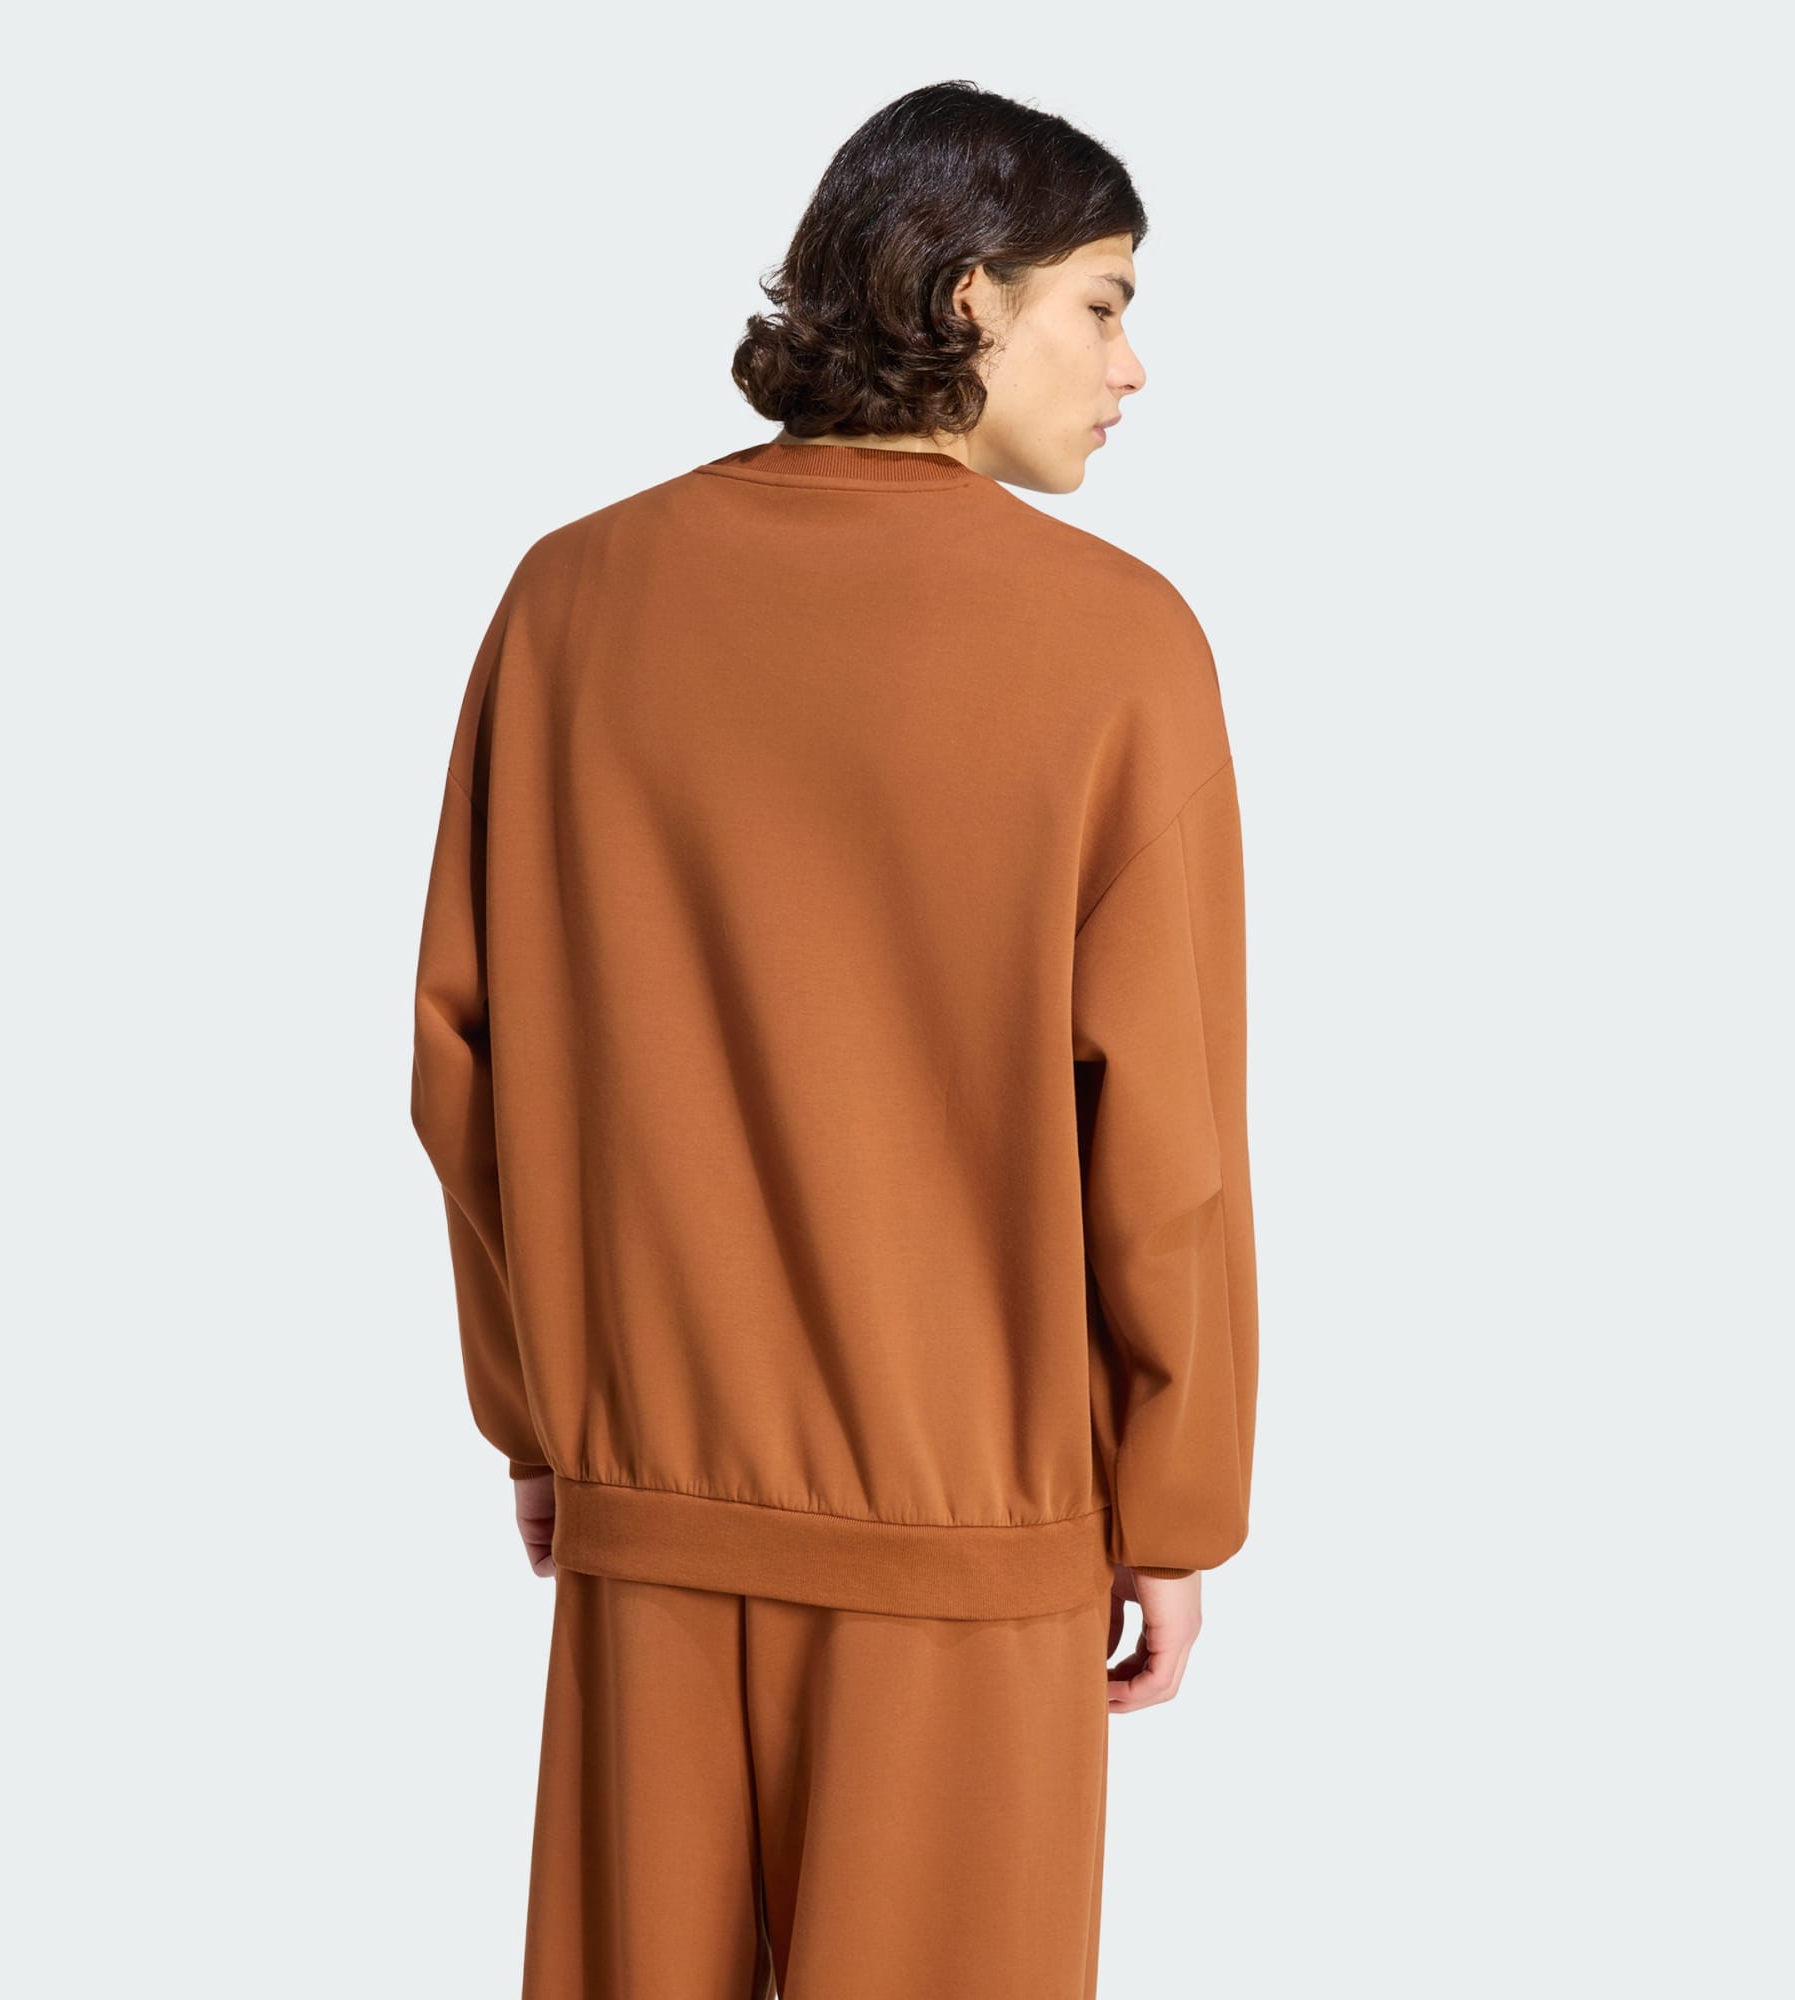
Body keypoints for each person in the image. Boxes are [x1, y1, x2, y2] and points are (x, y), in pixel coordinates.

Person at [410, 77, 1258, 2000]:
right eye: (1104, 304)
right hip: (969, 1549)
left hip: (649, 1517)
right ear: (970, 299)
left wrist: (544, 1415)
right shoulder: (1117, 643)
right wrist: (1176, 1502)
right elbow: (1169, 1148)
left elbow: (469, 1061)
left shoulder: (571, 597)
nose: (1132, 367)